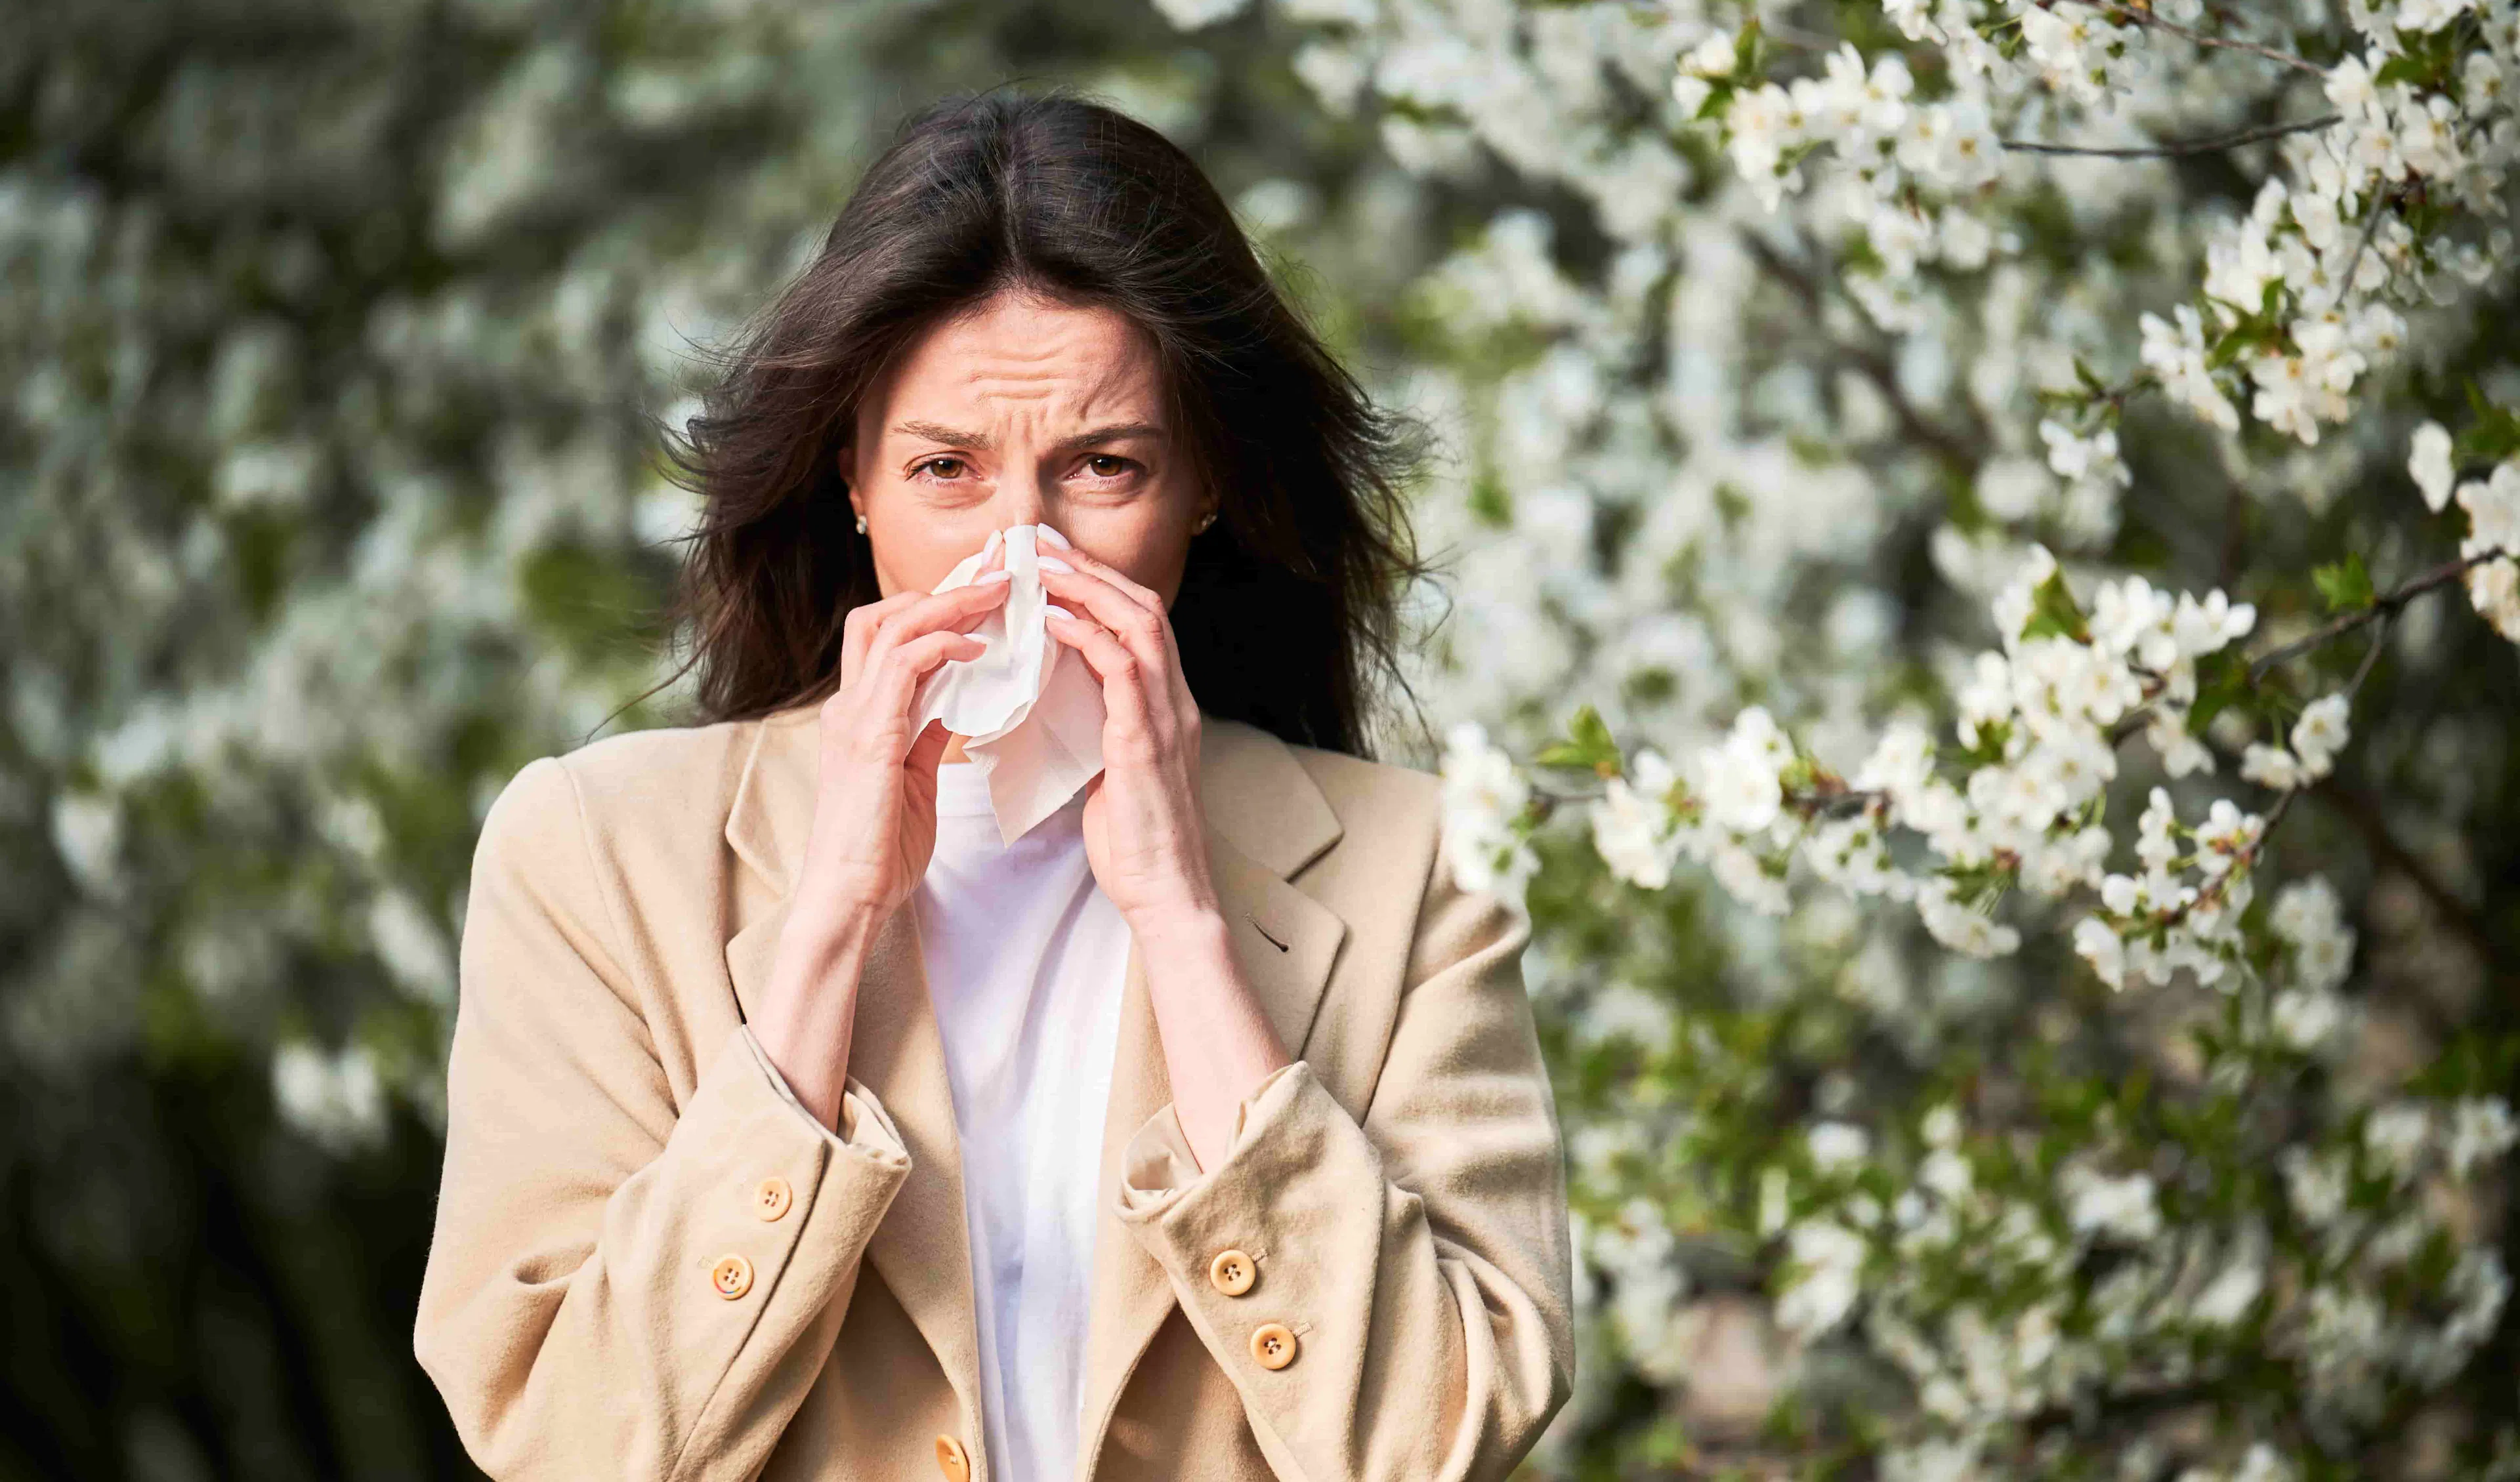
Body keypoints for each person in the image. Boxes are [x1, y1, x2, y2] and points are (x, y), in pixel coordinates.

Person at [411, 87, 1573, 1482]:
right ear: (852, 475)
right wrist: (832, 918)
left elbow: (1441, 1440)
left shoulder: (1418, 872)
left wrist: (1186, 920)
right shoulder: (594, 853)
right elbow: (566, 1445)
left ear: (1203, 484)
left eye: (1104, 466)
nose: (1022, 552)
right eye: (946, 470)